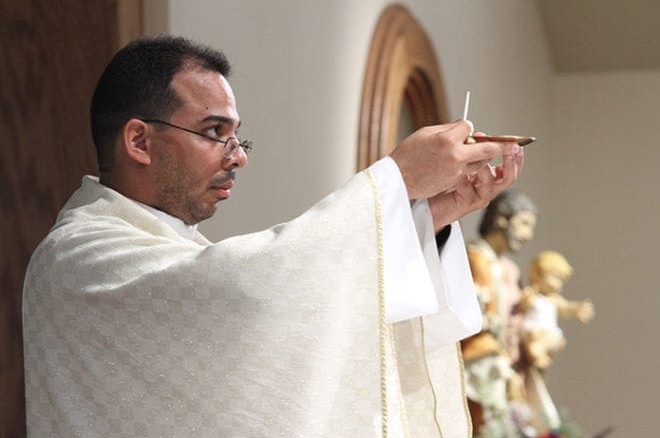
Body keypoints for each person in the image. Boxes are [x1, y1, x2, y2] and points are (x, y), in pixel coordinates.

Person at [22, 36, 523, 437]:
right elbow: (251, 298)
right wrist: (393, 181)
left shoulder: (169, 250)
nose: (237, 157)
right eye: (215, 131)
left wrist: (423, 222)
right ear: (139, 140)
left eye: (237, 137)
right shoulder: (77, 256)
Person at [460, 190, 538, 437]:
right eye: (524, 224)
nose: (529, 235)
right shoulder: (475, 260)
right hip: (482, 365)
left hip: (508, 367)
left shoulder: (508, 269)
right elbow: (476, 321)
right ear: (501, 218)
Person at [519, 250, 594, 431]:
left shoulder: (553, 300)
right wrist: (527, 298)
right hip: (531, 332)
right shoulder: (533, 295)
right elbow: (522, 305)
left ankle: (537, 354)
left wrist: (578, 309)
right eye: (555, 278)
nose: (558, 285)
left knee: (555, 339)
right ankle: (535, 353)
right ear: (538, 274)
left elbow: (566, 308)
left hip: (547, 335)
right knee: (537, 344)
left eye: (561, 280)